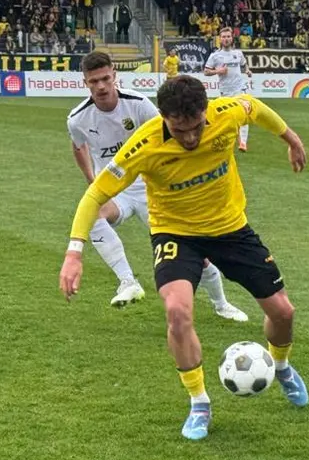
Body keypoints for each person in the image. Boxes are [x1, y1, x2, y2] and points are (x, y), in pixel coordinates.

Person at [60, 76, 309, 441]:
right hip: (176, 234)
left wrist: (291, 139)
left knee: (283, 312)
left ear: (206, 112)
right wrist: (74, 252)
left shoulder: (226, 113)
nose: (190, 138)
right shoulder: (142, 145)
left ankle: (282, 367)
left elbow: (255, 108)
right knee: (177, 311)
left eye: (195, 128)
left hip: (231, 229)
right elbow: (94, 195)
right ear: (164, 118)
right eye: (179, 130)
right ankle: (199, 402)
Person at [66, 51, 248, 321]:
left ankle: (221, 303)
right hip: (118, 190)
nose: (101, 86)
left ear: (115, 75)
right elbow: (77, 145)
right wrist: (92, 180)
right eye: (94, 81)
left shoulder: (138, 104)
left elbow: (168, 132)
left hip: (154, 189)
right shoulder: (78, 118)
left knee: (197, 252)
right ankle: (127, 281)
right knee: (92, 215)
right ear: (85, 83)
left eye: (105, 78)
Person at [202, 27, 252, 151]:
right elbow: (206, 72)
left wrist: (247, 70)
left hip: (240, 88)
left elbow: (244, 64)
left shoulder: (238, 53)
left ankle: (243, 143)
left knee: (245, 113)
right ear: (220, 39)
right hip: (226, 91)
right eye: (223, 37)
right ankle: (230, 138)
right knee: (229, 116)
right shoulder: (215, 56)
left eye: (228, 36)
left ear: (232, 38)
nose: (226, 39)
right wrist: (218, 71)